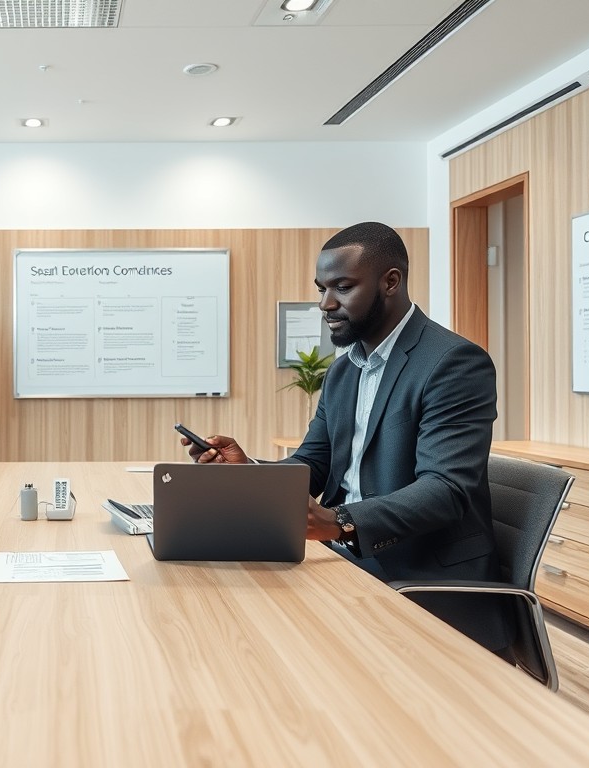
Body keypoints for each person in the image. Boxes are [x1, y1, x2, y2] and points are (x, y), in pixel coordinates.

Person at [184, 221, 507, 651]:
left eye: (342, 287)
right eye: (321, 289)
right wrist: (249, 472)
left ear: (390, 282)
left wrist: (340, 522)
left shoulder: (453, 363)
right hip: (347, 557)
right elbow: (312, 465)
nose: (325, 303)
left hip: (418, 575)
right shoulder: (342, 371)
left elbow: (445, 489)